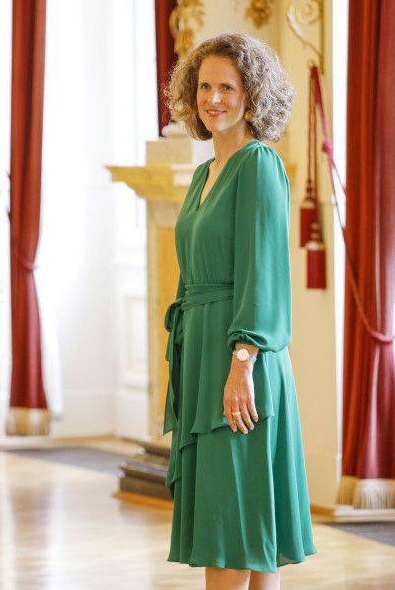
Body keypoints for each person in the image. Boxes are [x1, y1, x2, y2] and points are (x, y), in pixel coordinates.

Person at [162, 34, 317, 589]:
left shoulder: (258, 164)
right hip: (205, 356)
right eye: (205, 86)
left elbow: (265, 271)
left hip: (240, 359)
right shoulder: (205, 173)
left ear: (253, 95)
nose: (213, 99)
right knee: (243, 518)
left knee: (233, 523)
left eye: (227, 87)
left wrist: (243, 362)